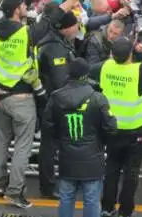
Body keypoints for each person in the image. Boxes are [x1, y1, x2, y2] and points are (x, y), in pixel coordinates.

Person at [91, 25, 142, 217]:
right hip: (136, 130)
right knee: (131, 172)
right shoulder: (141, 70)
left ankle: (106, 208)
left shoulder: (106, 67)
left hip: (112, 128)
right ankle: (126, 211)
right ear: (131, 55)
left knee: (111, 168)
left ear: (112, 54)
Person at [43, 58, 117, 217]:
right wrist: (100, 141)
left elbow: (48, 127)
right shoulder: (98, 98)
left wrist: (60, 141)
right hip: (92, 158)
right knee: (91, 199)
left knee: (66, 197)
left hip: (66, 157)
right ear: (86, 74)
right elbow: (111, 128)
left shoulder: (56, 97)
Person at [0, 0, 42, 209]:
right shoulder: (26, 32)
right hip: (22, 98)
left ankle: (1, 185)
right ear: (15, 10)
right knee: (23, 147)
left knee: (1, 142)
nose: (25, 7)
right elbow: (51, 18)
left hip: (1, 95)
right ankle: (15, 192)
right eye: (23, 5)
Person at [36, 10, 81, 198]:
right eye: (76, 24)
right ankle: (48, 187)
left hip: (50, 101)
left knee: (53, 145)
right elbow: (60, 80)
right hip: (53, 104)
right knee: (49, 146)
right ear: (67, 27)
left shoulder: (56, 42)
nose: (78, 27)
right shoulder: (55, 47)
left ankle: (54, 183)